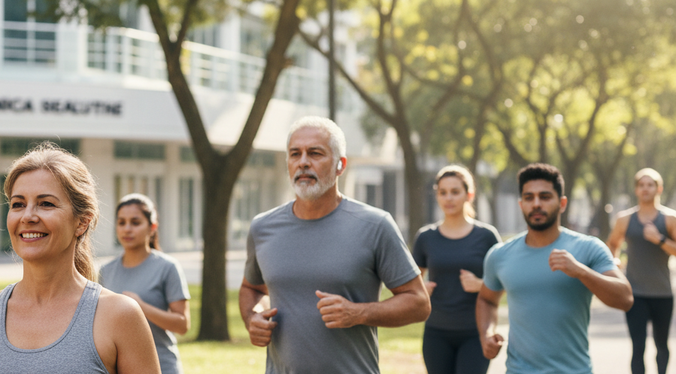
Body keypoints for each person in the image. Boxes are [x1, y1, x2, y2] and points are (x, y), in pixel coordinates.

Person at [239, 116, 431, 374]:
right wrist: (253, 317)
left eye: (315, 153)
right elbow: (252, 287)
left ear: (340, 165)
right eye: (295, 154)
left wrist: (359, 313)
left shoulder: (375, 225)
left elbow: (419, 303)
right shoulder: (263, 227)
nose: (303, 162)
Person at [0, 143, 160, 374]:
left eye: (46, 204)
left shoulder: (120, 316)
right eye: (18, 204)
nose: (28, 216)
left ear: (82, 222)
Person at [477, 162, 633, 374]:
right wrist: (487, 333)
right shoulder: (500, 255)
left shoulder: (588, 248)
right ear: (521, 203)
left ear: (562, 203)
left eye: (545, 196)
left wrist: (581, 272)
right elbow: (487, 299)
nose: (536, 204)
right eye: (529, 198)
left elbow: (625, 298)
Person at [413, 165, 501, 374]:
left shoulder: (486, 236)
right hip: (436, 333)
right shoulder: (426, 237)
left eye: (455, 192)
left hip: (475, 332)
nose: (448, 198)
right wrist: (421, 291)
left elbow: (507, 283)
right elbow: (410, 284)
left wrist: (481, 284)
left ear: (468, 195)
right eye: (443, 193)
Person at [100, 193, 191, 374]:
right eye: (121, 222)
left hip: (162, 366)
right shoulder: (106, 271)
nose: (127, 229)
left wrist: (140, 307)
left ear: (152, 227)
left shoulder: (167, 267)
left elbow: (182, 324)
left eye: (135, 222)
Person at [607, 168, 676, 374]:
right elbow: (611, 245)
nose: (646, 189)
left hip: (663, 293)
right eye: (642, 185)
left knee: (661, 346)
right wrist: (614, 262)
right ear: (637, 189)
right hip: (634, 293)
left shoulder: (670, 219)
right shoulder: (624, 219)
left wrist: (660, 239)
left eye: (650, 184)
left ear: (658, 189)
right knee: (638, 347)